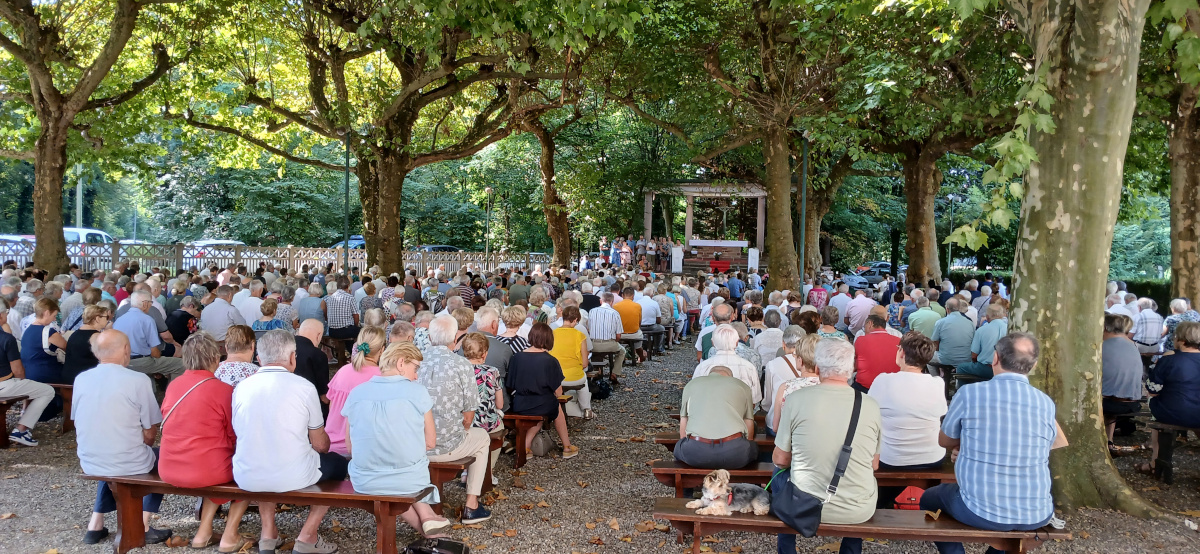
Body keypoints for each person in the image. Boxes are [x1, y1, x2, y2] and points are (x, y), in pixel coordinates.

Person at [921, 333, 1065, 554]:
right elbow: (1048, 444)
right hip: (1037, 511)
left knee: (929, 498)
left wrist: (969, 445)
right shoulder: (1045, 402)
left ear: (995, 358)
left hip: (979, 509)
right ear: (1034, 365)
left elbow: (945, 440)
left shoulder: (969, 393)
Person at [233, 330, 345, 554]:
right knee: (339, 465)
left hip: (247, 473)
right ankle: (307, 535)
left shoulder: (241, 387)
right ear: (293, 357)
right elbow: (321, 445)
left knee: (265, 454)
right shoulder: (304, 387)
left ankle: (267, 534)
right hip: (292, 474)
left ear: (259, 358)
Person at [774, 338, 882, 554]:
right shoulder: (870, 404)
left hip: (803, 504)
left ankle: (786, 548)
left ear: (816, 367)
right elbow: (874, 464)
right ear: (851, 369)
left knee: (777, 474)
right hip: (857, 509)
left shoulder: (796, 399)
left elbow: (781, 459)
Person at [341, 341, 453, 538]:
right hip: (409, 480)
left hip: (365, 480)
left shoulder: (357, 393)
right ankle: (429, 520)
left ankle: (431, 529)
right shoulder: (417, 392)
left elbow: (350, 446)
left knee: (395, 476)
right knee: (406, 473)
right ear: (401, 363)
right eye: (415, 368)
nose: (417, 375)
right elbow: (430, 442)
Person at [73, 330, 173, 545]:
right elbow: (150, 431)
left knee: (113, 454)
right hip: (127, 459)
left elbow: (77, 420)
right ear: (126, 350)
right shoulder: (138, 380)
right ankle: (143, 525)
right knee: (163, 459)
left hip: (89, 460)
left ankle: (95, 523)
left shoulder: (81, 379)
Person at [158, 332, 252, 552]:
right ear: (215, 358)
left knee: (213, 461)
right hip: (207, 469)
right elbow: (234, 434)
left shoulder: (174, 386)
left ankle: (204, 530)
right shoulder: (223, 390)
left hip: (170, 466)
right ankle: (229, 535)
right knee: (248, 471)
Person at [419, 315, 494, 523]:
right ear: (454, 338)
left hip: (416, 444)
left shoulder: (415, 361)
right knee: (482, 437)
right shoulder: (461, 365)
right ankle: (471, 504)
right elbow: (469, 417)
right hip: (446, 445)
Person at [868, 332, 948, 509]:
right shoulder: (937, 383)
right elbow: (941, 413)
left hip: (891, 458)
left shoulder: (883, 381)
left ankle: (881, 505)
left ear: (901, 352)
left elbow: (868, 415)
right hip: (931, 456)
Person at [507, 322, 579, 460]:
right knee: (554, 408)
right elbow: (558, 392)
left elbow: (510, 384)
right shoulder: (550, 361)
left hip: (520, 402)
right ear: (549, 339)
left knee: (538, 413)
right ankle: (567, 446)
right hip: (542, 402)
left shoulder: (516, 358)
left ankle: (525, 448)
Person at [675, 366, 757, 469]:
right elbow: (749, 423)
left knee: (679, 447)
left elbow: (684, 423)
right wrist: (747, 443)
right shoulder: (742, 386)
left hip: (695, 453)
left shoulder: (691, 385)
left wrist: (685, 441)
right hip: (735, 454)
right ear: (730, 377)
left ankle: (686, 484)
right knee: (754, 449)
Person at [326, 326, 386, 456]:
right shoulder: (382, 377)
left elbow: (332, 408)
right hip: (361, 448)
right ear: (382, 350)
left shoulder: (343, 371)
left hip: (332, 444)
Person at [1, 304, 56, 446]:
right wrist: (23, 384)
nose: (7, 315)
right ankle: (21, 429)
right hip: (4, 385)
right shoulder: (7, 338)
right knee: (47, 390)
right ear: (1, 316)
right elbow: (18, 370)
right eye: (6, 313)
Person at [461, 332, 505, 486]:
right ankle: (489, 471)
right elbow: (499, 404)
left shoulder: (459, 371)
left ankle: (466, 471)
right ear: (485, 353)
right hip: (487, 423)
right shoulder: (492, 372)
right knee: (499, 425)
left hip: (464, 422)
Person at [1100, 314, 1143, 446]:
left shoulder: (1103, 347)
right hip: (1133, 402)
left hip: (1111, 402)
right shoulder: (1132, 345)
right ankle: (1109, 440)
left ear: (1105, 328)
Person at [694, 325, 761, 404]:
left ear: (713, 343)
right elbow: (754, 400)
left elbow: (694, 395)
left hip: (709, 413)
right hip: (740, 414)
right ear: (736, 343)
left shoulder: (702, 367)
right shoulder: (749, 367)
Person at [769, 334, 822, 433]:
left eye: (795, 355)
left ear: (800, 361)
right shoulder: (830, 386)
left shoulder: (785, 387)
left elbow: (776, 427)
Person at [549, 306, 593, 419]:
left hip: (555, 377)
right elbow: (585, 363)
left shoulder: (552, 334)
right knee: (583, 381)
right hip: (574, 376)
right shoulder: (580, 335)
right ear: (575, 320)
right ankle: (586, 409)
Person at [762, 327, 806, 428]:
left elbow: (768, 400)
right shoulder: (809, 363)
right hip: (801, 422)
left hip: (777, 423)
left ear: (783, 344)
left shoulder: (772, 365)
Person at [21, 297, 67, 384]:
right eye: (54, 316)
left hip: (28, 372)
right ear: (46, 313)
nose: (54, 319)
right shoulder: (49, 332)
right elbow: (67, 347)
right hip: (45, 373)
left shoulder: (28, 329)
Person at [957, 303, 1009, 380]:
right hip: (1004, 369)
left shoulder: (981, 330)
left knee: (961, 368)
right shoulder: (1009, 329)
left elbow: (974, 355)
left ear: (987, 317)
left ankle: (964, 390)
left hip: (986, 368)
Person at [63, 304, 112, 383]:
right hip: (85, 378)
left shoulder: (75, 333)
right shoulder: (95, 336)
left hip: (70, 376)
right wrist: (108, 332)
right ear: (97, 319)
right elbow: (106, 356)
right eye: (106, 317)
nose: (108, 320)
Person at [852, 314, 901, 392]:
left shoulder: (861, 340)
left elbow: (855, 365)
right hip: (892, 386)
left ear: (870, 323)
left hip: (866, 387)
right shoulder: (899, 341)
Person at [294, 319, 332, 417]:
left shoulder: (286, 347)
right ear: (318, 335)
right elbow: (324, 395)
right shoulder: (318, 354)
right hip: (311, 407)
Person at [930, 298, 975, 368]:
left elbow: (935, 342)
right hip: (966, 358)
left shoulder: (940, 322)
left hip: (945, 359)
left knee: (927, 357)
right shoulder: (970, 323)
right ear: (959, 308)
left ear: (947, 309)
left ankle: (936, 377)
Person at [613, 287, 646, 363]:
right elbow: (639, 322)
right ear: (633, 296)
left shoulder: (616, 306)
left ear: (623, 295)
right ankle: (641, 356)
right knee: (639, 337)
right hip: (634, 333)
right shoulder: (637, 306)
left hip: (620, 334)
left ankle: (621, 357)